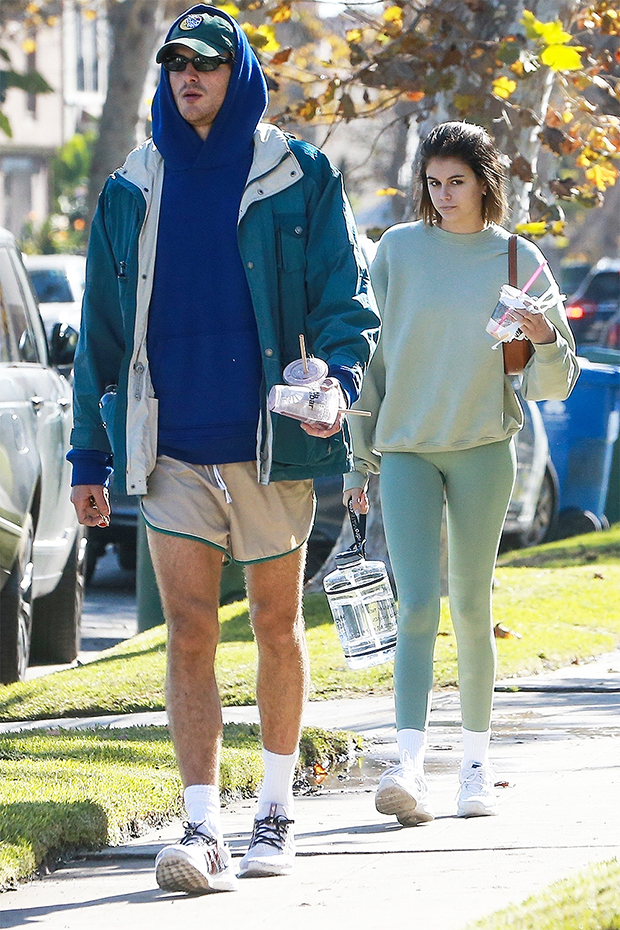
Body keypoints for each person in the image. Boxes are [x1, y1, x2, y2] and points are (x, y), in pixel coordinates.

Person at [68, 4, 379, 894]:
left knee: (277, 626)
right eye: (174, 67)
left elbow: (344, 304)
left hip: (269, 446)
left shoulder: (299, 175)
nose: (186, 79)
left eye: (203, 64)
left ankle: (274, 813)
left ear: (235, 72)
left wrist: (338, 385)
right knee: (191, 633)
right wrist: (88, 458)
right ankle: (201, 828)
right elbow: (98, 333)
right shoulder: (131, 186)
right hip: (170, 448)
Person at [344, 121, 578, 826]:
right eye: (434, 183)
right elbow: (368, 363)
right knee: (417, 607)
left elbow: (557, 380)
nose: (443, 196)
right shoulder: (397, 252)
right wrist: (359, 459)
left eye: (457, 182)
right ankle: (408, 767)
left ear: (485, 184)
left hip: (483, 449)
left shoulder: (519, 259)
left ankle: (477, 765)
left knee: (472, 607)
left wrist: (540, 336)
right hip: (408, 451)